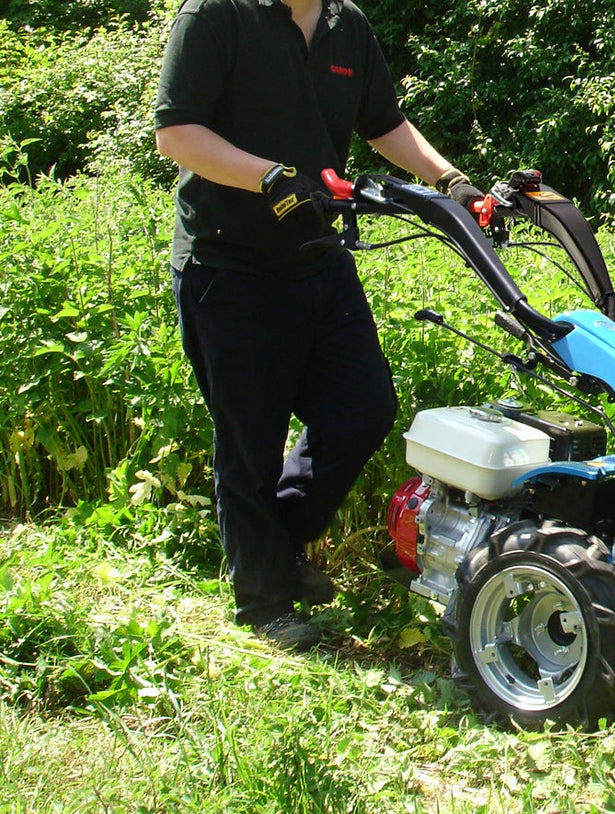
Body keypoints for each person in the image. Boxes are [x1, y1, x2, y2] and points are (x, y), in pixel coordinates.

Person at [153, 0, 482, 650]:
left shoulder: (346, 25)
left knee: (363, 409)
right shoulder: (215, 16)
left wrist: (451, 181)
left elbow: (384, 123)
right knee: (250, 441)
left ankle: (275, 543)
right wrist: (268, 176)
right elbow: (178, 135)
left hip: (315, 256)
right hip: (228, 262)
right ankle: (264, 602)